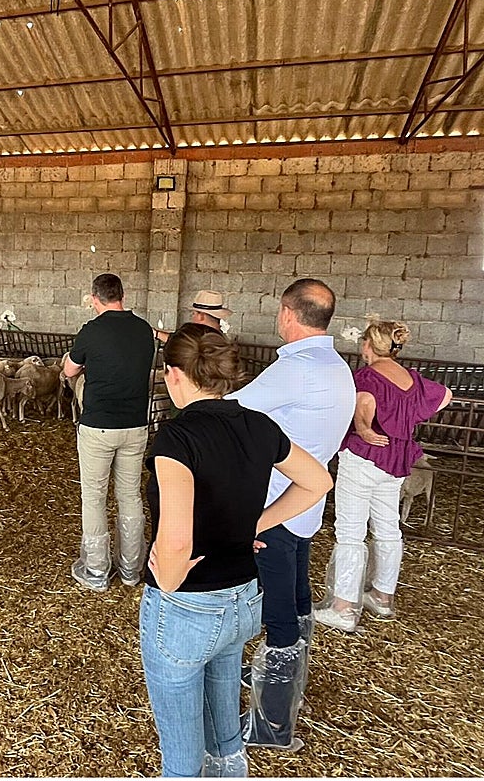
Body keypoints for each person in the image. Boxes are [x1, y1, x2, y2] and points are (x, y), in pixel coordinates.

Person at [141, 323, 332, 777]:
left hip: (188, 605)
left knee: (181, 752)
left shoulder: (177, 438)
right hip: (244, 597)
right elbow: (318, 481)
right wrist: (255, 523)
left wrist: (167, 581)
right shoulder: (258, 425)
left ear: (173, 375)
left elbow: (177, 536)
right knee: (225, 729)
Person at [227, 278, 356, 751]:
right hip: (306, 505)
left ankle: (272, 724)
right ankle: (286, 686)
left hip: (276, 509)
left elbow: (229, 410)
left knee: (280, 613)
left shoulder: (296, 370)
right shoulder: (337, 367)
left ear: (287, 312)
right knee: (297, 601)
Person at [315, 319, 453, 632]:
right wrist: (410, 417)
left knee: (351, 530)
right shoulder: (411, 378)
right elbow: (444, 396)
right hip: (396, 459)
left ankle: (343, 607)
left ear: (368, 345)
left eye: (363, 342)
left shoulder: (367, 377)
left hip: (365, 457)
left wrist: (364, 428)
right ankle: (382, 596)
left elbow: (364, 403)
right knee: (388, 528)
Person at [62, 273, 156, 591]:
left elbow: (70, 370)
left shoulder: (92, 331)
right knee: (130, 495)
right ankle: (131, 570)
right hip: (135, 425)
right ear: (122, 296)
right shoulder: (143, 329)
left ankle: (97, 570)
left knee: (94, 497)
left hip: (98, 426)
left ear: (94, 298)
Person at [154, 289, 232, 342]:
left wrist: (156, 333)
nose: (192, 317)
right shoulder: (221, 339)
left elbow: (177, 341)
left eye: (193, 314)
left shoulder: (199, 336)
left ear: (201, 316)